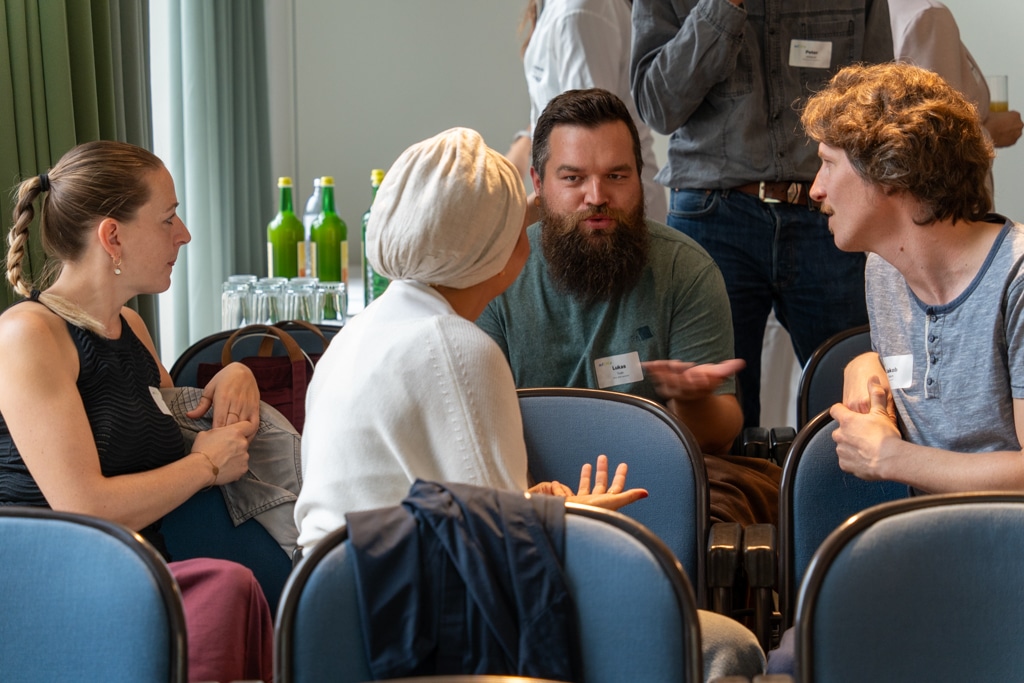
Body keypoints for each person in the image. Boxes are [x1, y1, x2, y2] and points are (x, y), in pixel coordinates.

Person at [295, 126, 766, 681]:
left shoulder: (359, 334)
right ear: (488, 248)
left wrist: (546, 508)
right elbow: (506, 567)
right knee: (727, 643)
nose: (531, 233)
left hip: (334, 617)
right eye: (518, 225)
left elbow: (460, 511)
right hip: (424, 626)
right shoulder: (458, 347)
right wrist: (598, 536)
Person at [768, 60, 1016, 674]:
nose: (815, 189)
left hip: (1007, 569)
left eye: (827, 163)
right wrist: (866, 358)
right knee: (793, 659)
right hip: (930, 558)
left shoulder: (1017, 282)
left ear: (891, 171)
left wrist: (891, 460)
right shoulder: (885, 269)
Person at [0, 141, 273, 683]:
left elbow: (176, 430)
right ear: (112, 236)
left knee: (240, 587)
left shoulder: (135, 331)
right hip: (48, 584)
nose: (185, 234)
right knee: (230, 590)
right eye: (168, 219)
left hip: (135, 570)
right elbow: (84, 507)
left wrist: (235, 374)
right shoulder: (29, 337)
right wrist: (206, 466)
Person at [477, 88, 781, 529]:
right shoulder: (497, 274)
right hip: (534, 484)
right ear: (539, 185)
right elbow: (479, 424)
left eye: (616, 176)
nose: (596, 196)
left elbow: (719, 435)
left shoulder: (686, 269)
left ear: (640, 179)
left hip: (655, 482)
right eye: (573, 178)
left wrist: (691, 398)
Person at [629, 0, 893, 428]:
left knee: (859, 400)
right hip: (713, 215)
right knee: (711, 411)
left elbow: (881, 102)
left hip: (828, 211)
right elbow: (658, 107)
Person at [507, 0, 667, 221]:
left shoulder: (580, 11)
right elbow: (561, 107)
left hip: (611, 218)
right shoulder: (566, 8)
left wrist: (507, 228)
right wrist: (522, 147)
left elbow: (590, 143)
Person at [889, 0, 1023, 153]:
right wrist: (992, 133)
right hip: (949, 174)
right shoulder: (929, 15)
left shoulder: (887, 10)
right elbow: (939, 138)